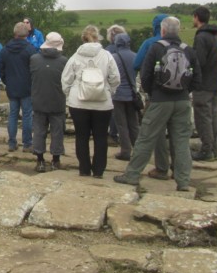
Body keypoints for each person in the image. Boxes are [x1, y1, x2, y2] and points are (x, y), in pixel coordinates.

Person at [114, 17, 202, 192]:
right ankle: (183, 181)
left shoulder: (156, 48)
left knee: (146, 137)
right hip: (183, 100)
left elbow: (145, 75)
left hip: (160, 99)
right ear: (178, 31)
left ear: (162, 31)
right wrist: (185, 92)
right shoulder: (188, 50)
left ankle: (132, 175)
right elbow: (197, 79)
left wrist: (153, 93)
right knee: (181, 142)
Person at [62, 25, 120, 178]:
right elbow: (115, 78)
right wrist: (109, 91)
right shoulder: (107, 55)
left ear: (83, 39)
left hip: (79, 102)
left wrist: (70, 94)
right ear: (97, 38)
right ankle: (99, 170)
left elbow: (66, 79)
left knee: (81, 136)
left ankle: (84, 168)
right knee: (101, 136)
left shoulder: (75, 56)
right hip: (102, 102)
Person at [132, 13, 172, 180]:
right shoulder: (181, 45)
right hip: (180, 95)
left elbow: (137, 64)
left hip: (156, 95)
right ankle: (180, 169)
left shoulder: (150, 43)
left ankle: (161, 168)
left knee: (155, 132)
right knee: (178, 134)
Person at [192, 6, 217, 161]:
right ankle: (214, 149)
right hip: (215, 81)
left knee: (203, 117)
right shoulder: (214, 35)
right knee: (212, 115)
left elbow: (199, 61)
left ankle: (206, 150)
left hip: (204, 83)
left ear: (197, 17)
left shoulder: (201, 37)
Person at [30, 32, 67, 171]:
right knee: (57, 132)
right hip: (57, 100)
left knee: (39, 131)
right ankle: (55, 160)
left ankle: (40, 161)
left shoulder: (34, 59)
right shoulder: (64, 61)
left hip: (38, 99)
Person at [0, 22, 38, 152]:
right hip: (27, 87)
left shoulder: (5, 50)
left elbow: (2, 70)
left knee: (13, 115)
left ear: (14, 33)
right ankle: (27, 143)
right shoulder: (30, 49)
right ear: (26, 34)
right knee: (27, 115)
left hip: (12, 86)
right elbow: (34, 70)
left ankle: (12, 142)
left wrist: (7, 82)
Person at [110, 32, 140, 161]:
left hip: (118, 95)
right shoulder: (136, 56)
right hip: (132, 94)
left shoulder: (113, 57)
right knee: (134, 123)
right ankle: (139, 150)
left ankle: (125, 150)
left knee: (121, 124)